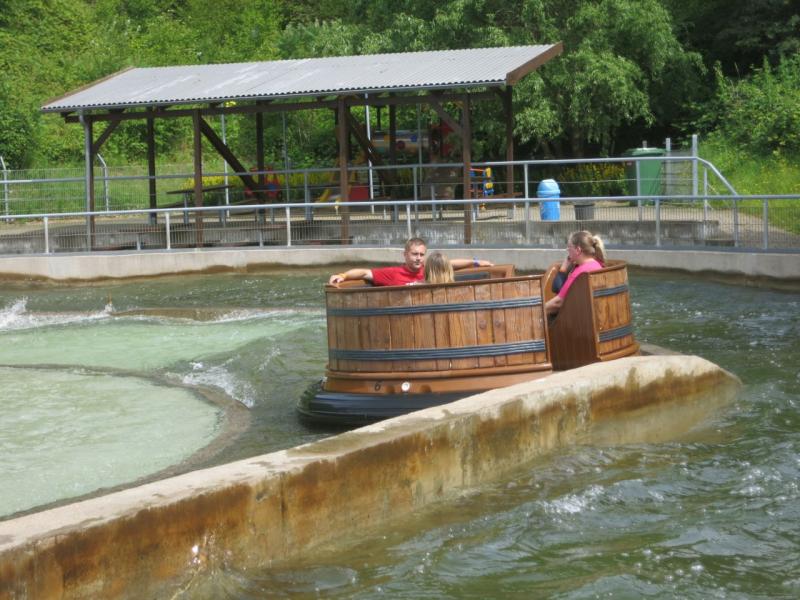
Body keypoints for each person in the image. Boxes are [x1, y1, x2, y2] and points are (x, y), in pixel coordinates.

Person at [328, 237, 492, 286]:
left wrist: (476, 262)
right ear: (405, 255)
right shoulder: (393, 273)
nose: (418, 258)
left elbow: (451, 264)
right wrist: (343, 275)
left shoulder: (429, 268)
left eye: (421, 254)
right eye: (414, 254)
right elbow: (364, 272)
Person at [545, 230, 606, 315]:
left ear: (578, 250)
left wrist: (538, 310)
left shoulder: (580, 272)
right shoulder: (597, 265)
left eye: (569, 247)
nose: (567, 250)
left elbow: (558, 302)